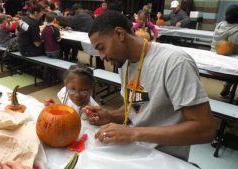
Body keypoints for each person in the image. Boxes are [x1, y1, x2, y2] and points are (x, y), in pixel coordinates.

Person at [86, 10, 215, 161]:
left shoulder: (174, 62)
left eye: (101, 47)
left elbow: (205, 129)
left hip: (165, 158)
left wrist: (134, 133)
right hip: (135, 150)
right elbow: (137, 107)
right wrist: (110, 116)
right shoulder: (125, 62)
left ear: (120, 34)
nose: (102, 56)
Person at [210, 4, 238, 97]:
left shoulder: (220, 24)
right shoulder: (236, 29)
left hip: (212, 54)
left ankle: (227, 87)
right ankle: (227, 86)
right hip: (224, 60)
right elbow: (232, 48)